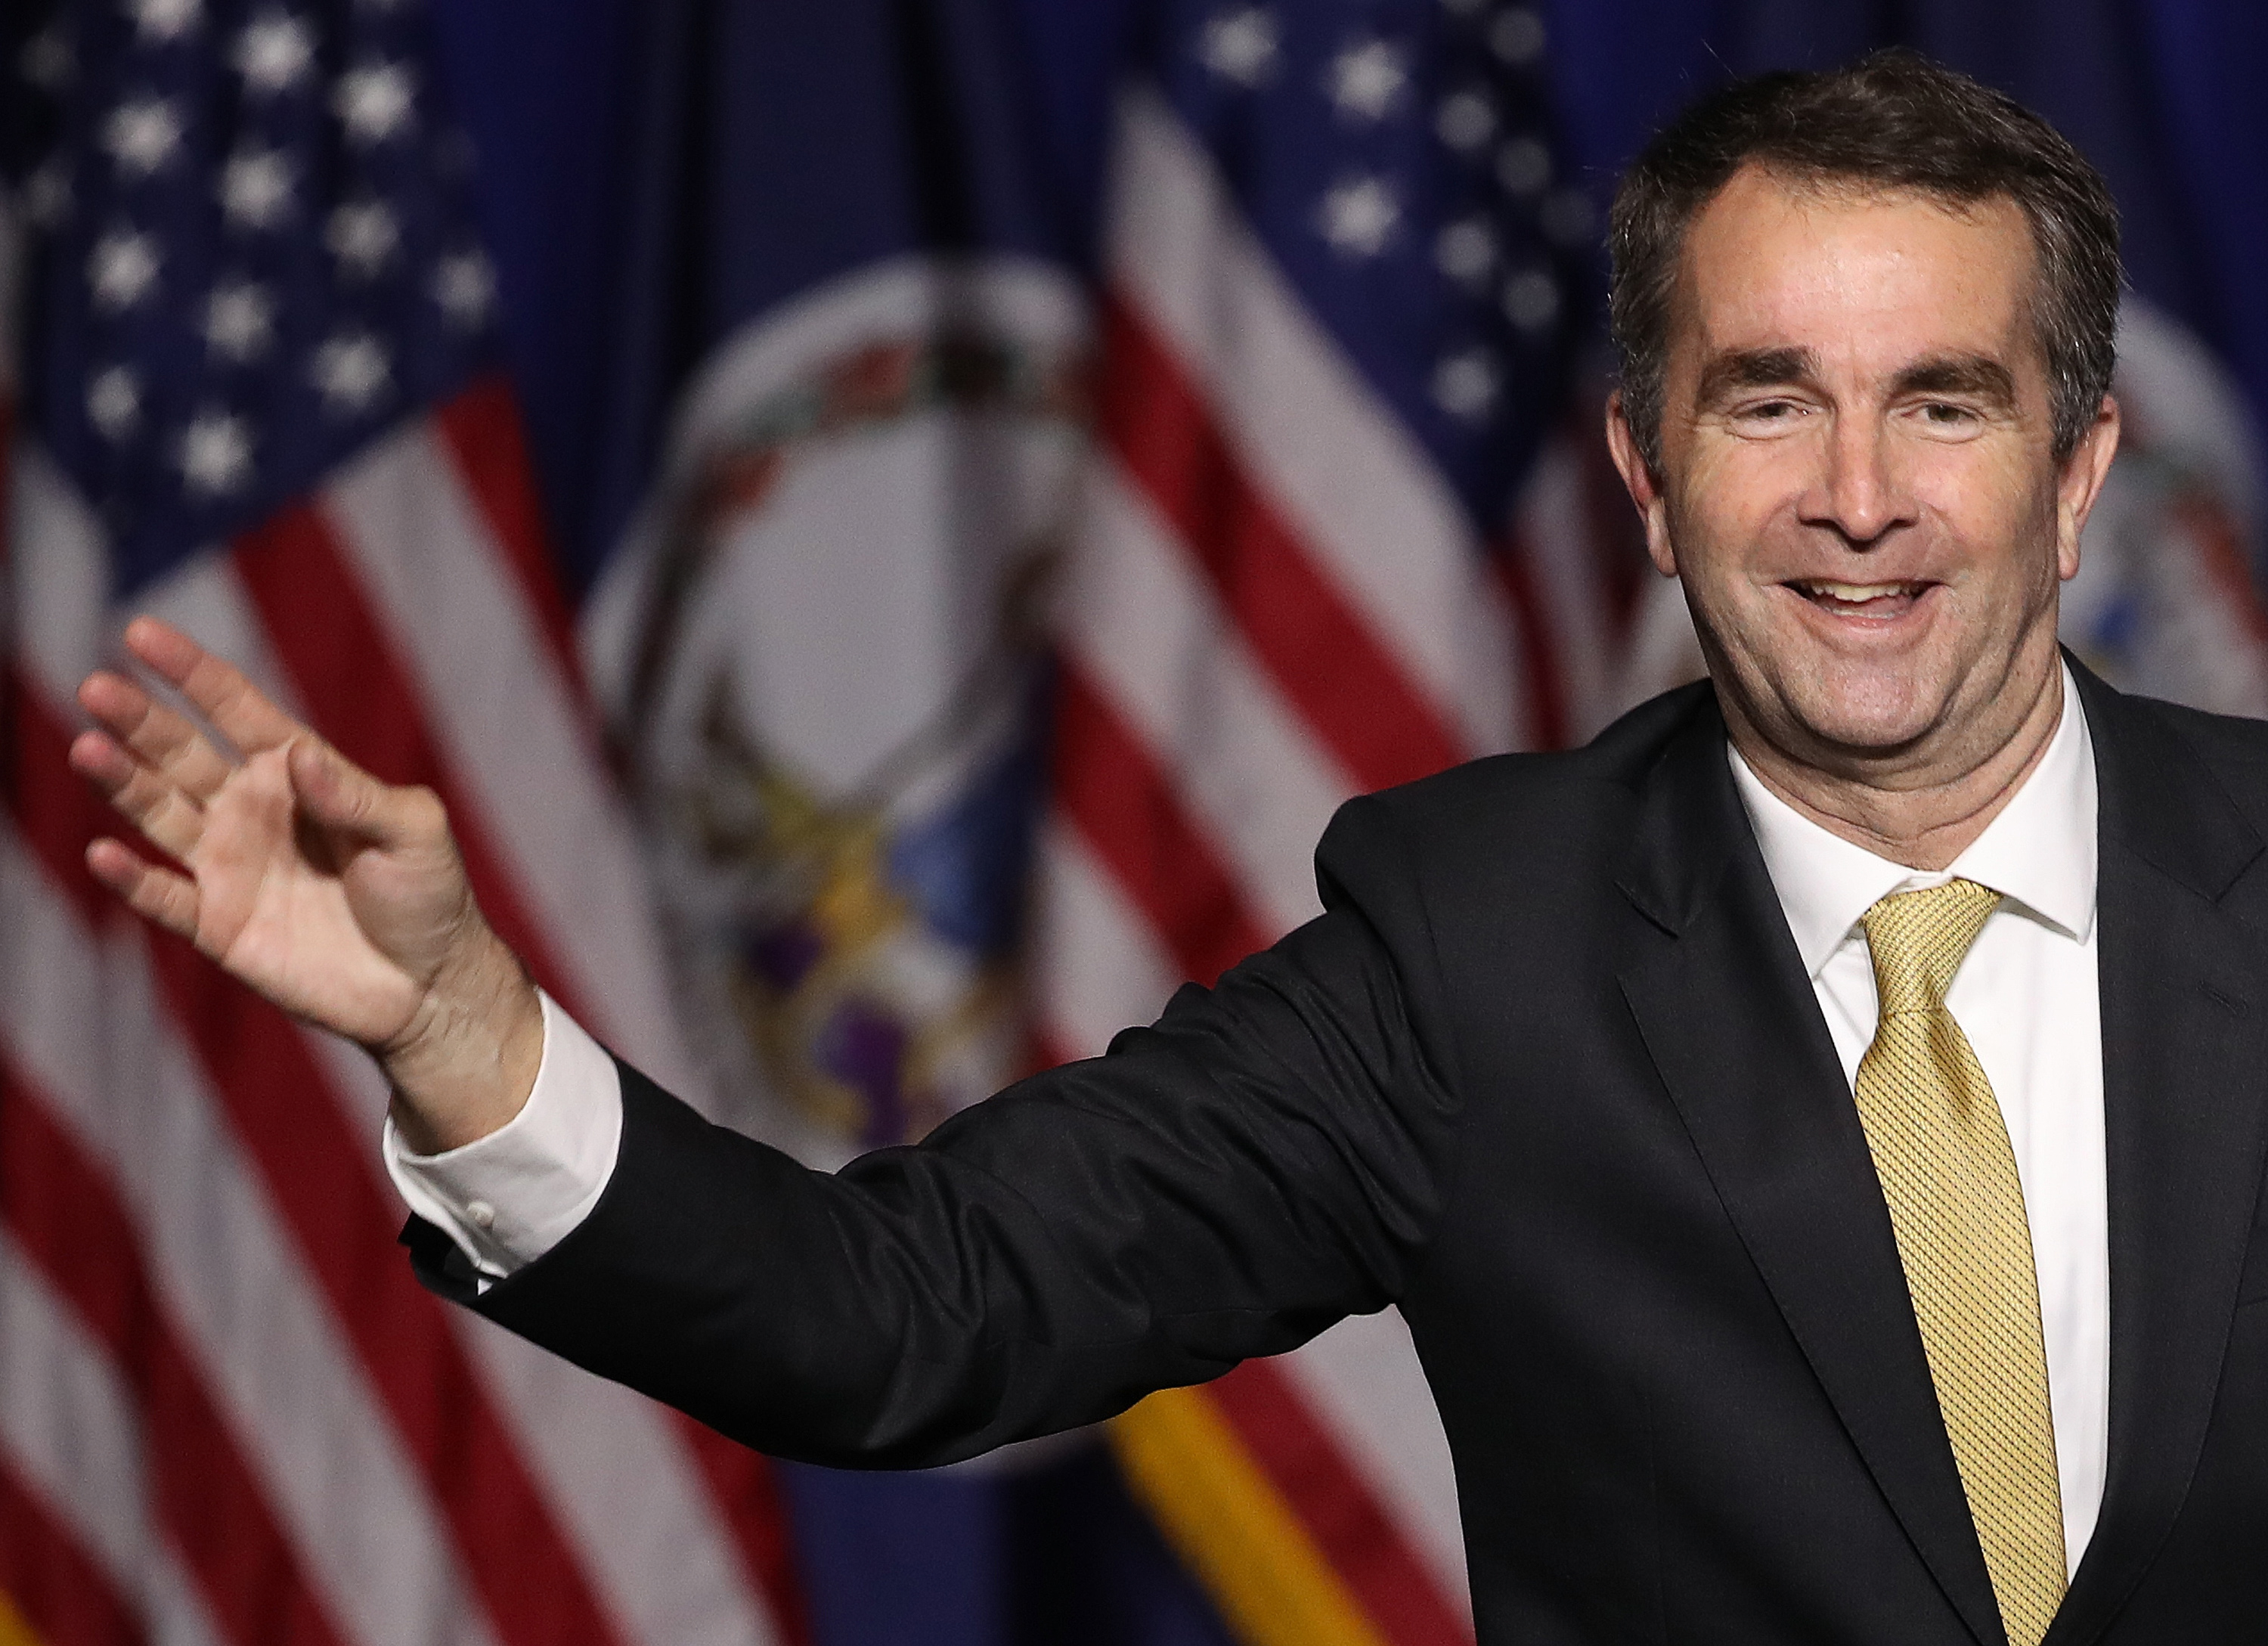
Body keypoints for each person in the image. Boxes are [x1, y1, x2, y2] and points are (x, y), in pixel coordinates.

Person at [67, 51, 2268, 1646]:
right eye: (1768, 398)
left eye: (1944, 403)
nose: (1855, 493)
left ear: (2077, 475)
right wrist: (464, 1025)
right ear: (1647, 469)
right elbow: (896, 1317)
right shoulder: (1474, 950)